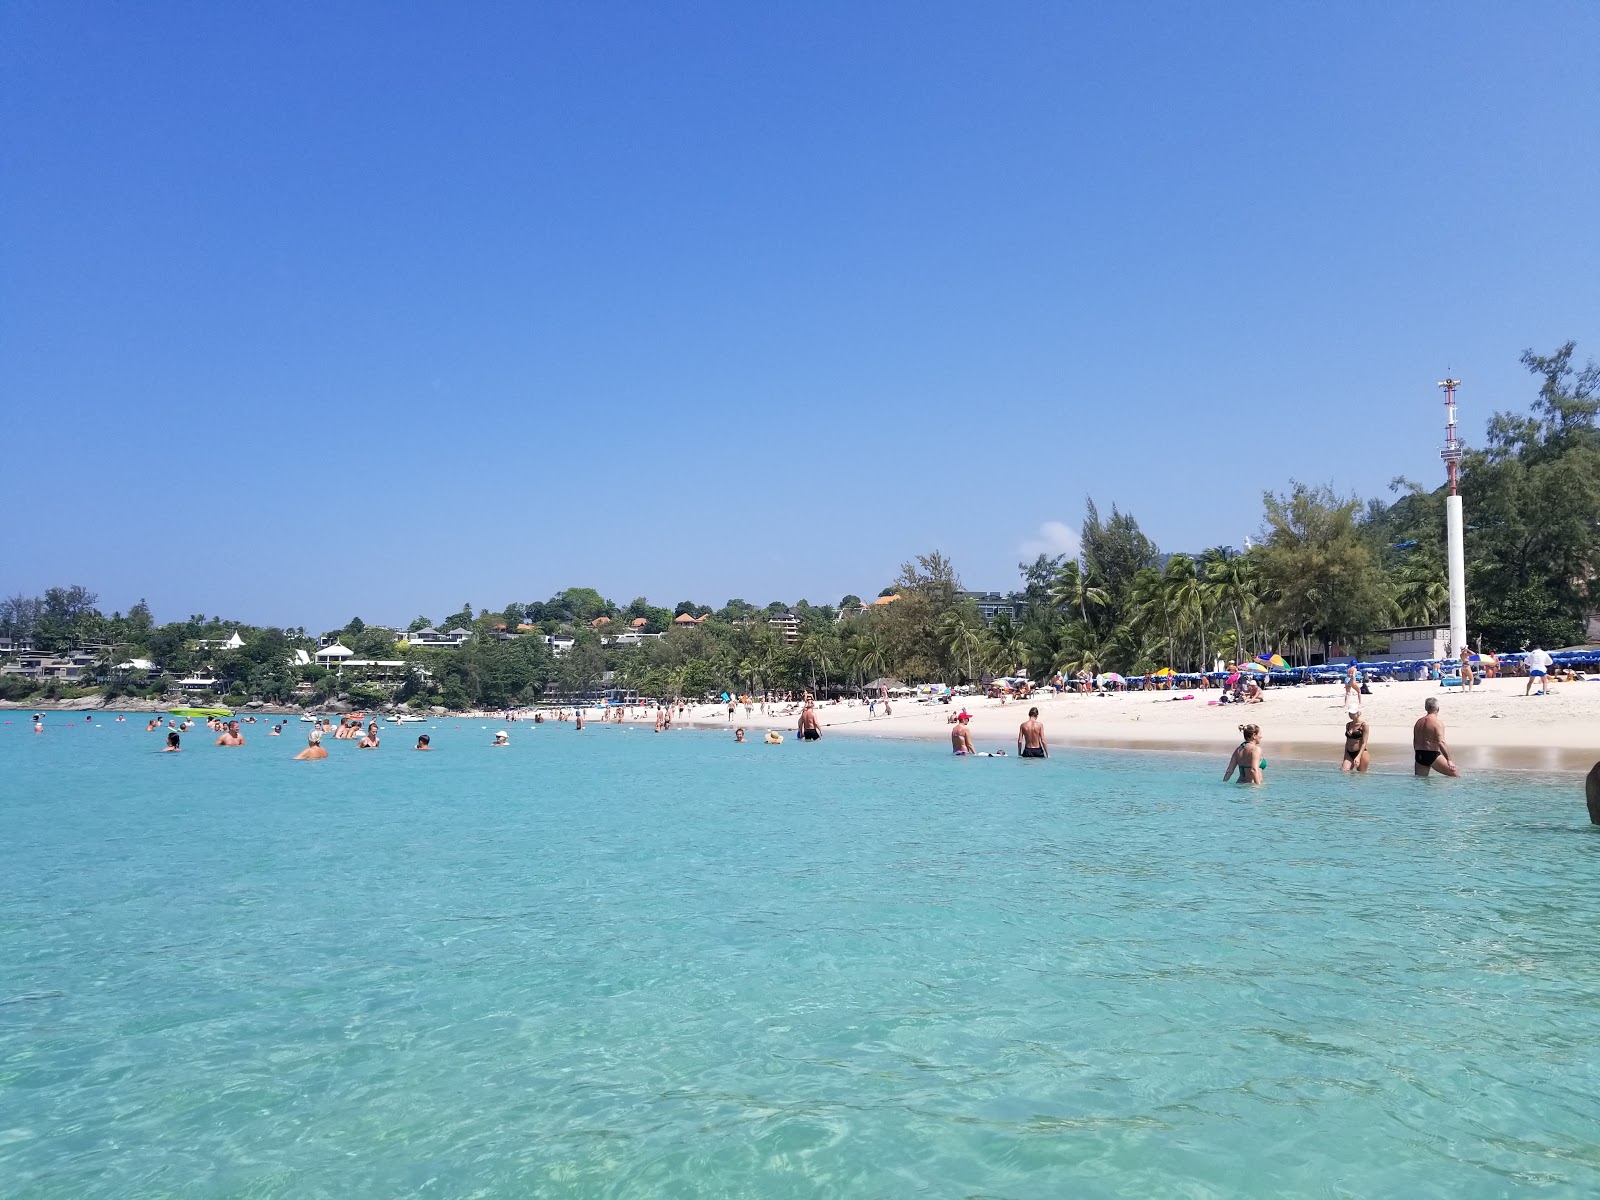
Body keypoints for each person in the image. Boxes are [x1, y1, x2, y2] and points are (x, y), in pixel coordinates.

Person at [1412, 697, 1461, 777]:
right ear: (1438, 708)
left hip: (1419, 754)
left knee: (1420, 783)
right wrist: (1449, 760)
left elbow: (1415, 740)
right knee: (1455, 776)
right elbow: (1441, 742)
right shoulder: (1437, 723)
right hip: (1432, 754)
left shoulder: (1418, 722)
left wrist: (1418, 754)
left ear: (1425, 708)